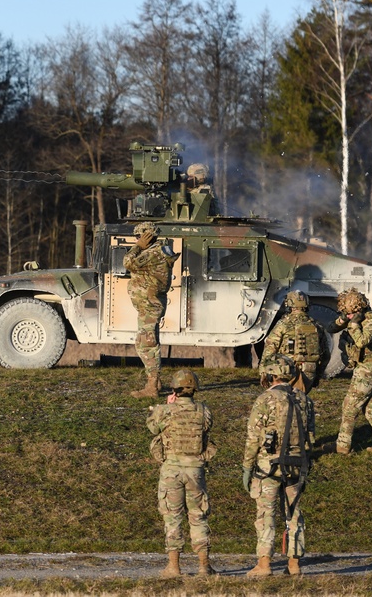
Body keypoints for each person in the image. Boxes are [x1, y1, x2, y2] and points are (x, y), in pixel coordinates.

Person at [242, 355, 314, 577]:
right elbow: (310, 437)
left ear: (270, 375)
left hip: (268, 466)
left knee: (266, 514)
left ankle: (264, 565)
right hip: (296, 466)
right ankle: (294, 565)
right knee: (294, 514)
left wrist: (247, 467)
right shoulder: (304, 399)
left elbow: (253, 437)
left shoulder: (265, 399)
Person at [146, 370, 215, 577]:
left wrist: (168, 406)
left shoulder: (165, 411)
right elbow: (207, 429)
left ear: (174, 388)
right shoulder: (204, 411)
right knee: (198, 516)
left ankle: (174, 567)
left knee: (172, 517)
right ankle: (204, 566)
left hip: (171, 470)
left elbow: (152, 428)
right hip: (195, 470)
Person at [326, 288, 372, 456]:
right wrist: (342, 320)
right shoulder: (353, 317)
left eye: (350, 313)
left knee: (349, 405)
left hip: (369, 368)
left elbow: (361, 342)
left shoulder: (371, 322)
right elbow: (330, 328)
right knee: (370, 408)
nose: (348, 316)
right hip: (363, 367)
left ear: (358, 310)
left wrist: (353, 325)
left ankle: (342, 445)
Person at [124, 222, 179, 398]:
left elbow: (128, 262)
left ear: (146, 237)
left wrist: (137, 247)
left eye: (138, 237)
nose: (137, 240)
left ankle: (152, 386)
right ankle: (155, 381)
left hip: (149, 304)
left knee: (147, 344)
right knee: (144, 342)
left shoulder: (153, 253)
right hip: (148, 304)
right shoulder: (160, 251)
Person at [258, 290, 327, 393]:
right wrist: (318, 375)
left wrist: (263, 372)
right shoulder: (317, 326)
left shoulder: (283, 324)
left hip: (286, 372)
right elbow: (326, 354)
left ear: (288, 304)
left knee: (284, 403)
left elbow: (270, 348)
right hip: (309, 371)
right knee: (301, 402)